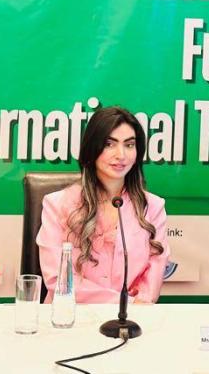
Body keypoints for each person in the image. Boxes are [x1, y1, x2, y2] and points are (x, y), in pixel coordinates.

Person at [37, 106, 170, 303]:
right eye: (109, 144)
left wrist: (134, 309)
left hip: (132, 318)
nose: (121, 154)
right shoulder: (57, 205)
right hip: (70, 316)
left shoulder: (153, 207)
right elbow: (59, 280)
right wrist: (124, 303)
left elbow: (152, 279)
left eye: (129, 145)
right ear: (93, 148)